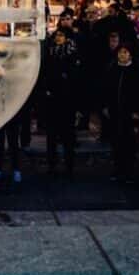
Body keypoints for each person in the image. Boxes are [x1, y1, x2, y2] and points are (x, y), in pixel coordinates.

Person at [104, 44, 139, 184]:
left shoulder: (135, 71)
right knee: (116, 141)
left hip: (130, 113)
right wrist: (105, 106)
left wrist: (137, 110)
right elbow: (106, 89)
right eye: (120, 52)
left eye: (125, 52)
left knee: (129, 142)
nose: (122, 55)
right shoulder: (112, 69)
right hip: (115, 111)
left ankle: (128, 171)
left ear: (130, 54)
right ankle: (118, 169)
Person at [43, 28, 80, 177]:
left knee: (68, 136)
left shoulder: (73, 53)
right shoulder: (50, 52)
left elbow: (77, 79)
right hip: (52, 100)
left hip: (68, 100)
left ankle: (69, 166)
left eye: (62, 35)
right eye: (57, 35)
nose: (58, 38)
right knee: (51, 135)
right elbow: (45, 73)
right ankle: (52, 165)